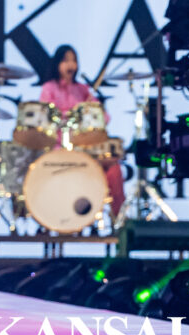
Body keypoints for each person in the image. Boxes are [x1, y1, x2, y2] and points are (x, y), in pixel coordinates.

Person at [39, 45, 125, 216]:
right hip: (59, 149)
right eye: (66, 60)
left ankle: (119, 218)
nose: (70, 65)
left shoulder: (83, 90)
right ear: (57, 64)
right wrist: (69, 115)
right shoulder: (49, 88)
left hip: (85, 149)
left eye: (74, 60)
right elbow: (45, 117)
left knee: (114, 169)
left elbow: (104, 118)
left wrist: (89, 111)